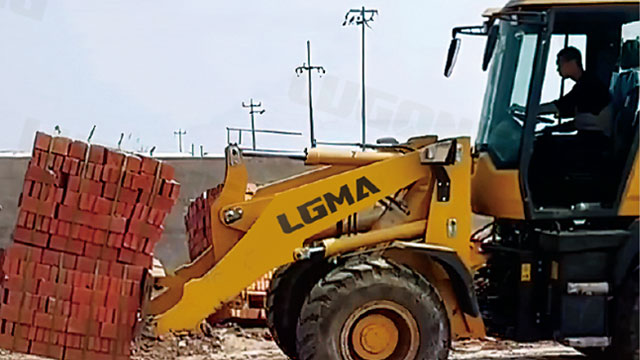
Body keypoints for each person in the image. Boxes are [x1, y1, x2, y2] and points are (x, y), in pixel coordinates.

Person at [538, 46, 613, 143]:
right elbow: (580, 121)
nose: (557, 69)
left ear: (572, 63)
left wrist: (531, 111)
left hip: (595, 142)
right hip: (591, 138)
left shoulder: (588, 85)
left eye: (560, 64)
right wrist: (554, 128)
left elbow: (561, 106)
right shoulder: (585, 83)